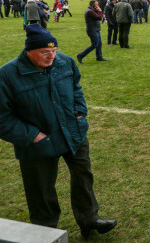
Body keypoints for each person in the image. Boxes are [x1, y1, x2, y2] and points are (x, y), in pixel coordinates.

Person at [0, 25, 117, 238]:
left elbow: (76, 88)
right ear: (29, 51)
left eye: (54, 50)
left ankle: (89, 219)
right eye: (45, 52)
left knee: (83, 176)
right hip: (38, 143)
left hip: (73, 132)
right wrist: (32, 135)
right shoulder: (8, 74)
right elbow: (2, 117)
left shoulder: (65, 62)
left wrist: (80, 113)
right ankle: (45, 232)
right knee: (41, 190)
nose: (52, 56)